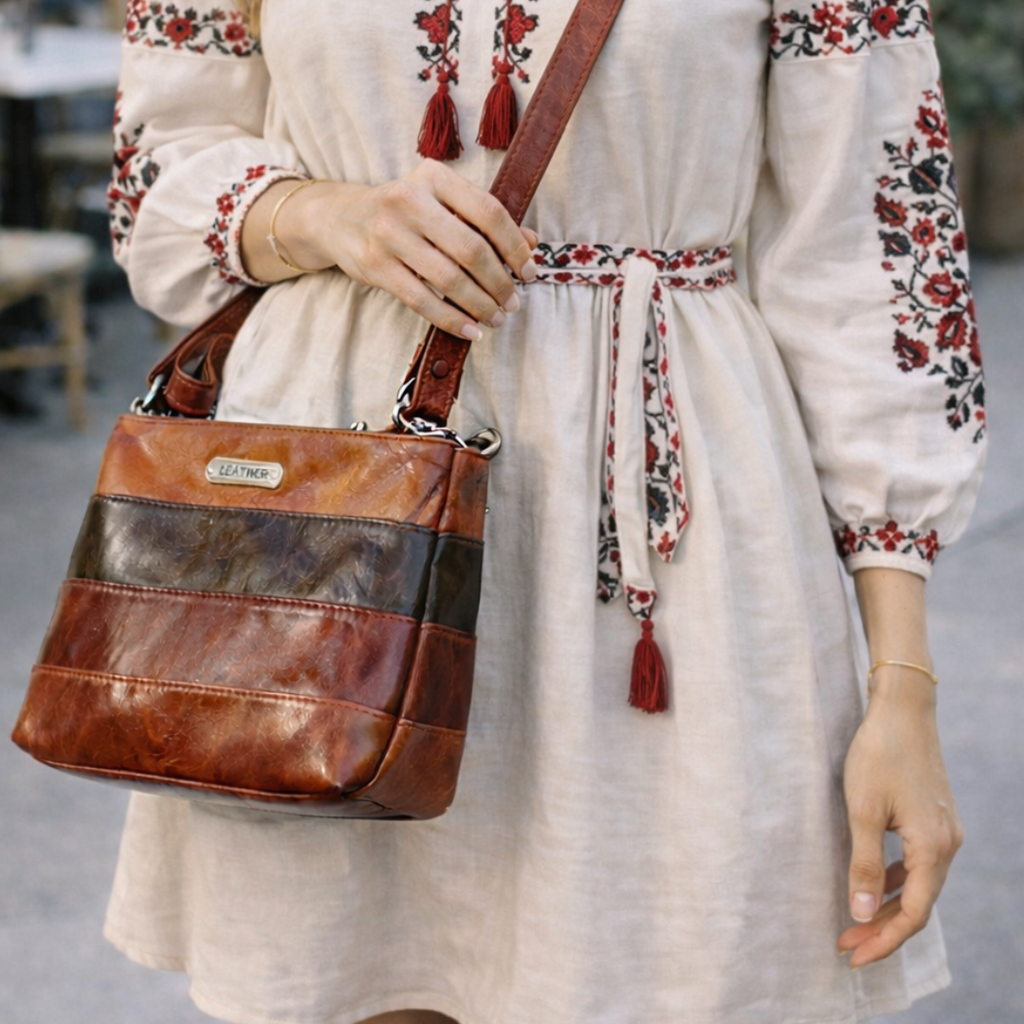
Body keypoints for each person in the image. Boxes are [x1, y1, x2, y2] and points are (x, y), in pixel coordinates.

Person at [103, 1, 984, 1022]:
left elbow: (873, 268)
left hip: (659, 556)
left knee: (663, 974)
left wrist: (902, 685)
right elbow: (152, 178)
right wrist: (324, 214)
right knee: (356, 974)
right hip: (332, 535)